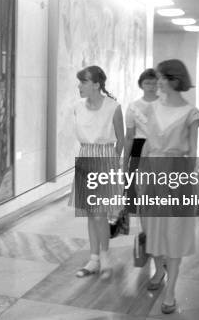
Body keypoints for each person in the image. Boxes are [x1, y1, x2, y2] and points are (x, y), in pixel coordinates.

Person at [137, 59, 199, 314]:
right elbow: (148, 146)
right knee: (153, 231)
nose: (157, 81)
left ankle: (171, 289)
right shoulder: (151, 109)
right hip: (152, 175)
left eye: (162, 77)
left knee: (174, 235)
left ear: (174, 80)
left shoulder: (191, 113)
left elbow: (194, 152)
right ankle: (159, 270)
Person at [70, 65, 124, 280]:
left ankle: (105, 257)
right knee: (91, 214)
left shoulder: (113, 107)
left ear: (96, 84)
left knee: (100, 213)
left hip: (105, 159)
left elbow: (121, 138)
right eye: (80, 81)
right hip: (85, 158)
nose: (79, 86)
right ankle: (94, 259)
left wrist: (113, 163)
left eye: (83, 82)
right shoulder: (77, 106)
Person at [123, 68, 158, 214]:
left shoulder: (166, 105)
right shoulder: (133, 107)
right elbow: (129, 136)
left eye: (153, 83)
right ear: (141, 84)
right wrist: (125, 162)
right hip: (138, 146)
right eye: (147, 83)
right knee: (133, 188)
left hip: (159, 148)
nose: (150, 86)